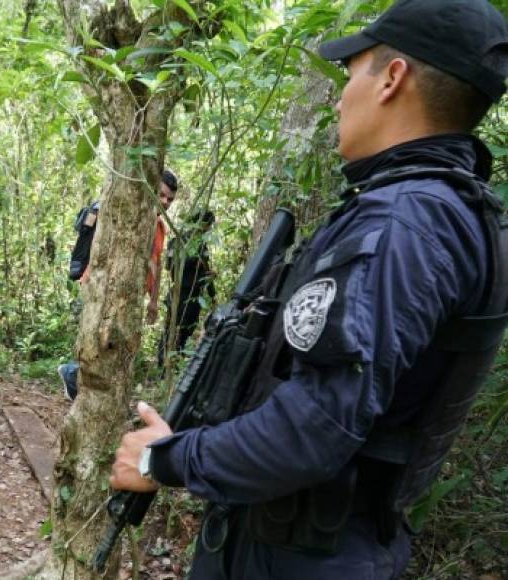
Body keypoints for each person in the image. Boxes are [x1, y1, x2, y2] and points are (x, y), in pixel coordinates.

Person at [109, 1, 508, 578]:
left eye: (351, 74)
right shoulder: (450, 212)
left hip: (301, 557)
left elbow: (315, 428)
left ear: (392, 79)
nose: (344, 95)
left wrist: (163, 460)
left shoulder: (400, 226)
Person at [58, 169, 178, 401]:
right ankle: (73, 375)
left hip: (129, 296)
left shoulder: (159, 226)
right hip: (103, 287)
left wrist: (153, 301)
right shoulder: (125, 215)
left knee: (113, 344)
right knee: (101, 342)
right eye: (161, 195)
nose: (165, 202)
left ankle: (79, 381)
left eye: (170, 199)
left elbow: (156, 263)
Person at [157, 209, 215, 369]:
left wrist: (212, 294)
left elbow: (205, 271)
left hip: (193, 296)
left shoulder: (199, 244)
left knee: (183, 332)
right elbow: (170, 266)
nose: (209, 230)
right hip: (180, 295)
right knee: (171, 331)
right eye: (208, 226)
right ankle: (163, 367)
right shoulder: (177, 242)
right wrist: (193, 259)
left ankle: (173, 366)